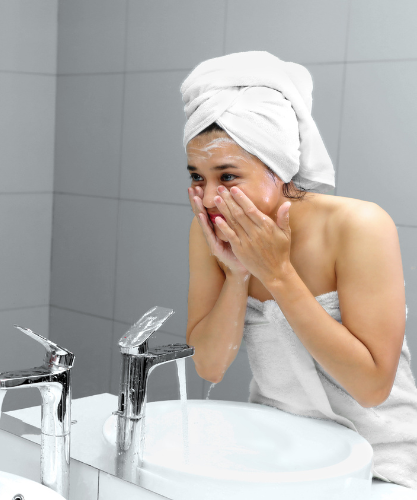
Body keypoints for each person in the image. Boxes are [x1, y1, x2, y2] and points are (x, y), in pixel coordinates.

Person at [183, 51, 417, 489]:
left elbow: (371, 388)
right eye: (197, 176)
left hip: (380, 465)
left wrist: (277, 276)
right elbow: (210, 367)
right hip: (278, 452)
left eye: (228, 176)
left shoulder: (358, 226)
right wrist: (236, 275)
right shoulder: (210, 233)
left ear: (280, 168)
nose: (210, 198)